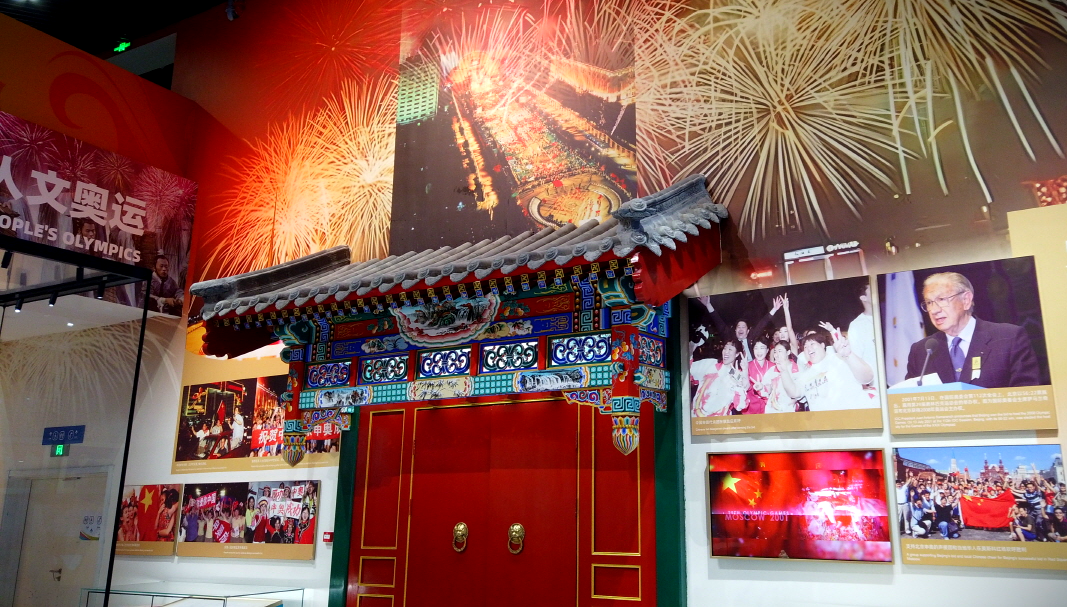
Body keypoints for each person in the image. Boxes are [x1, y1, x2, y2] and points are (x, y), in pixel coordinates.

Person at [905, 272, 1040, 387]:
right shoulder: (921, 351)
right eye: (929, 302)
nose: (934, 310)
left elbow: (1027, 395)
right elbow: (910, 400)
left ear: (966, 300)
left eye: (941, 299)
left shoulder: (1008, 338)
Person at [776, 329, 874, 412]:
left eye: (812, 344)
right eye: (805, 347)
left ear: (822, 345)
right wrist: (783, 371)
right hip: (826, 424)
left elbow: (867, 377)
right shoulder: (806, 374)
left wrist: (849, 355)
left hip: (854, 418)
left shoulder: (841, 358)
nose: (809, 348)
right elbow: (794, 392)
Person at [695, 295, 778, 361]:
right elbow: (719, 322)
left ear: (748, 331)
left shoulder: (752, 338)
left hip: (753, 368)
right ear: (735, 330)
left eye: (743, 327)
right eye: (739, 327)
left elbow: (762, 324)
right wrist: (708, 305)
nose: (741, 329)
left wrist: (774, 309)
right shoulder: (731, 339)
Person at [691, 340, 748, 416]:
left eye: (730, 349)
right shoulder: (710, 364)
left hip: (719, 421)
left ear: (737, 354)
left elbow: (741, 405)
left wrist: (738, 385)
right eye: (725, 348)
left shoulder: (737, 375)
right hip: (696, 418)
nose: (726, 352)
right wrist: (692, 345)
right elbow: (687, 369)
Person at [846, 282, 877, 374]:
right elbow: (856, 358)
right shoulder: (856, 325)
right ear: (863, 298)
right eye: (872, 290)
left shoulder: (888, 316)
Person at [744, 340, 774, 415]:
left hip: (770, 407)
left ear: (767, 350)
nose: (759, 351)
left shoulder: (773, 366)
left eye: (762, 348)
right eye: (756, 348)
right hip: (751, 408)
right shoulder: (747, 366)